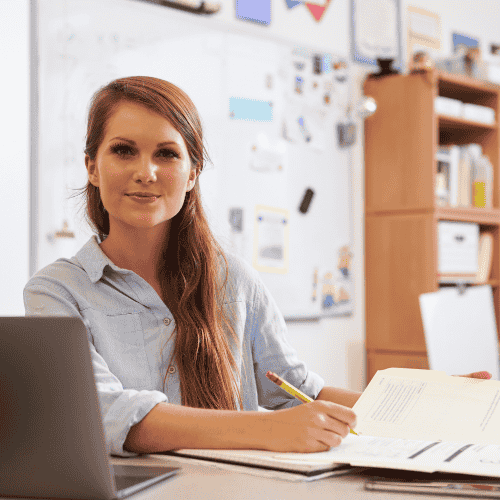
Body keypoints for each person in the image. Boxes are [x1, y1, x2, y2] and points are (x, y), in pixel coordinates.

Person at [24, 76, 489, 458]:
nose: (146, 171)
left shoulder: (235, 280)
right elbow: (105, 412)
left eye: (167, 153)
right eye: (123, 150)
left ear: (192, 174)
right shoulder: (57, 290)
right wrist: (268, 431)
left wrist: (434, 405)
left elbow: (298, 390)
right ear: (91, 166)